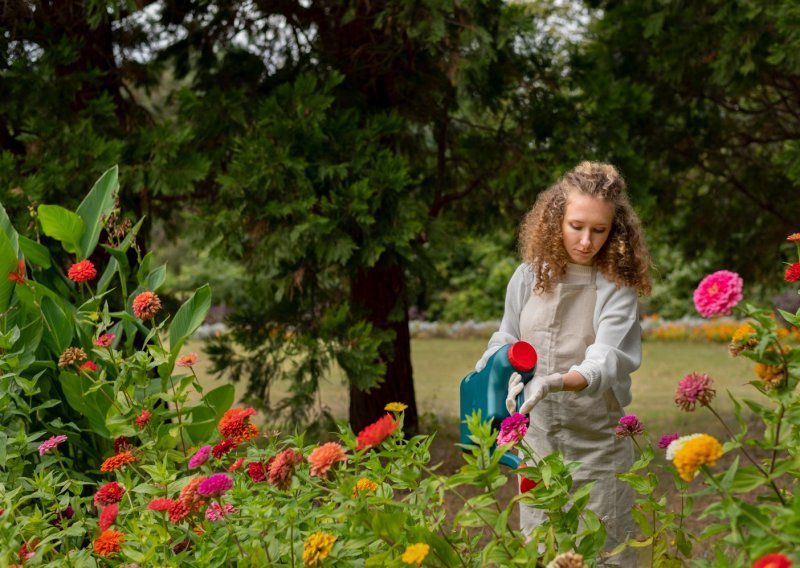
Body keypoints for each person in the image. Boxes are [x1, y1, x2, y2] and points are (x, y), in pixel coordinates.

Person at [475, 161, 651, 566]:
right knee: (544, 551)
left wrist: (552, 381)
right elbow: (508, 334)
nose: (586, 241)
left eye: (599, 230)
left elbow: (603, 360)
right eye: (576, 226)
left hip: (598, 447)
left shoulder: (616, 287)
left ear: (615, 229)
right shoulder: (528, 276)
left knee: (604, 554)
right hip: (537, 444)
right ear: (556, 218)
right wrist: (494, 359)